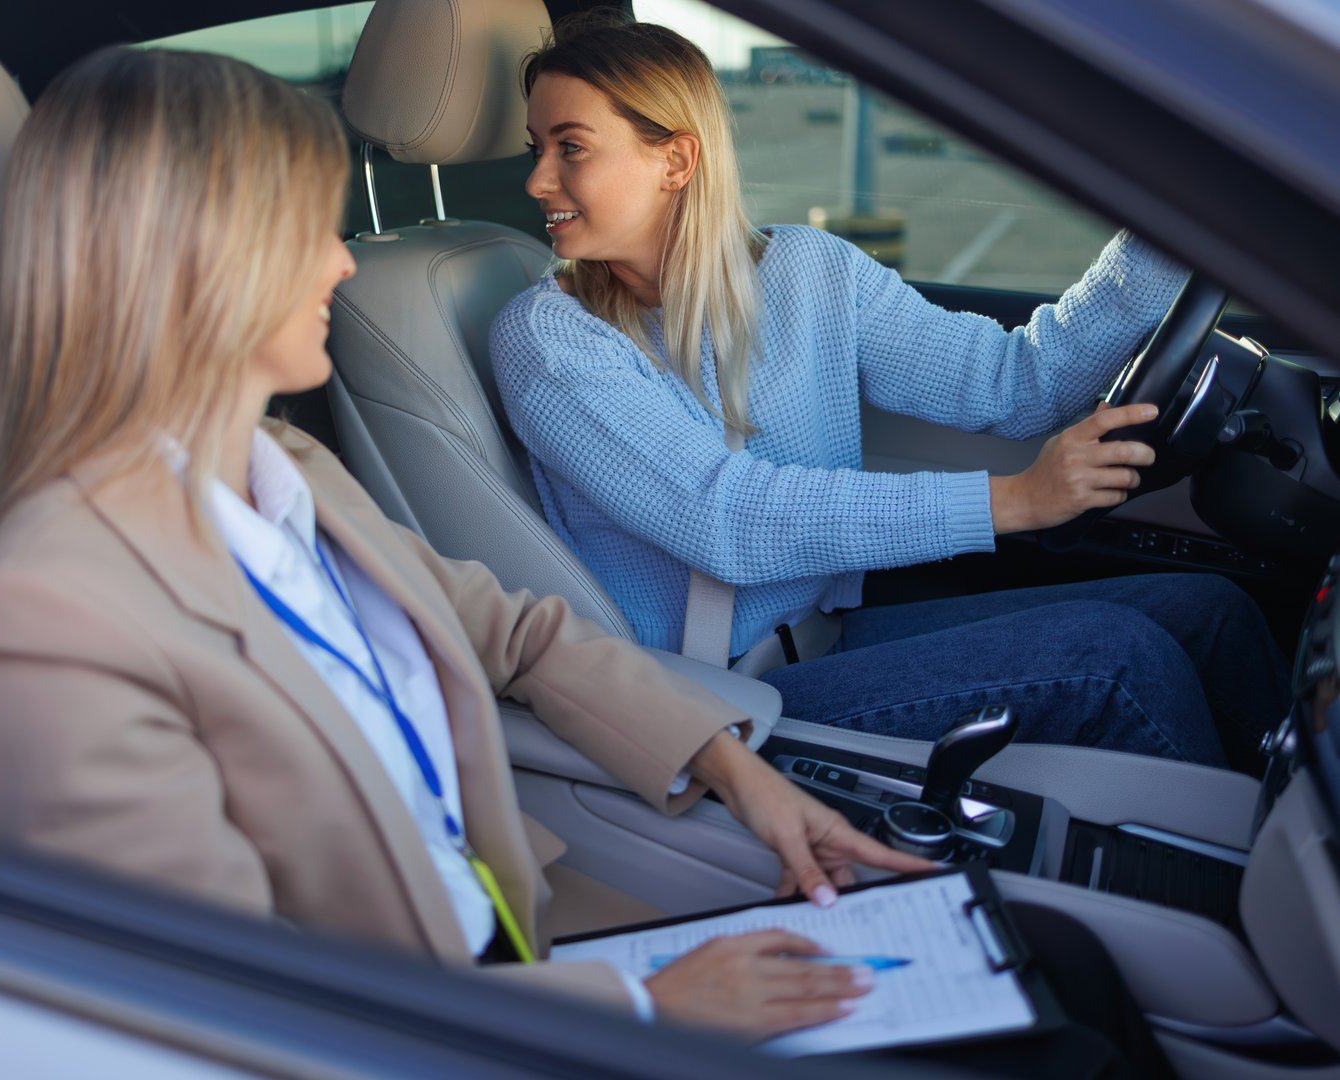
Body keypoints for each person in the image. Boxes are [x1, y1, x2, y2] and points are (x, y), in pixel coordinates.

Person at [0, 43, 939, 1043]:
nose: (342, 259)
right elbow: (225, 1006)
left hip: (512, 946)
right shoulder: (43, 621)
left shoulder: (280, 469)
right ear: (192, 256)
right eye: (307, 230)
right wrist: (643, 1007)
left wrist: (738, 771)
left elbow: (524, 636)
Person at [489, 15, 1289, 775]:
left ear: (676, 160)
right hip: (713, 697)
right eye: (539, 148)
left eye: (570, 148)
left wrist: (1179, 217)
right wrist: (1012, 501)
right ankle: (1246, 902)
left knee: (1209, 614)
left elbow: (1016, 384)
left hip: (827, 638)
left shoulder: (809, 271)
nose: (537, 179)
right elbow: (725, 518)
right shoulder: (548, 338)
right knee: (1118, 658)